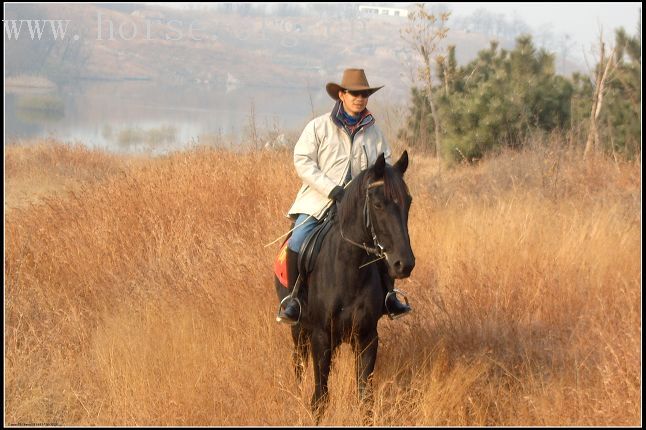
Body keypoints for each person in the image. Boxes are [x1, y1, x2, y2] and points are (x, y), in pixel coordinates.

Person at [277, 68, 411, 324]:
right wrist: (332, 189)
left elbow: (386, 167)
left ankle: (388, 297)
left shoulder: (374, 133)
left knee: (386, 243)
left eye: (365, 94)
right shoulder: (319, 127)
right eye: (355, 94)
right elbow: (303, 161)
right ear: (341, 95)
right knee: (298, 239)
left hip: (361, 208)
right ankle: (294, 299)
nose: (360, 99)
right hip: (319, 200)